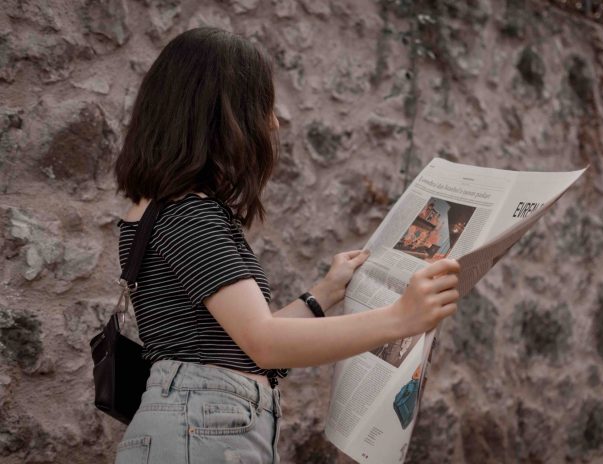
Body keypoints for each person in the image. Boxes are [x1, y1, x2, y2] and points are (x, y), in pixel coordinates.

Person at [112, 27, 460, 464]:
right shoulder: (188, 215)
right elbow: (265, 343)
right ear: (220, 113)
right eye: (261, 105)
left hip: (199, 425)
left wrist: (324, 293)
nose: (273, 121)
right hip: (200, 430)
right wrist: (401, 318)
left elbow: (237, 338)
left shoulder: (165, 210)